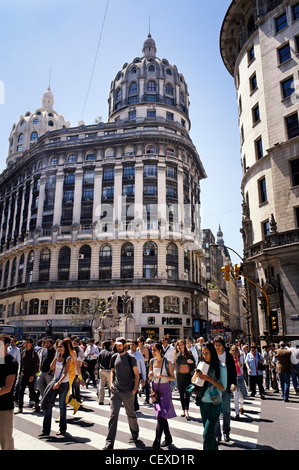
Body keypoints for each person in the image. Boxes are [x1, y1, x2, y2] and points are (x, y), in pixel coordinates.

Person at [103, 337, 140, 450]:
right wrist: (111, 384)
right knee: (113, 416)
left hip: (128, 391)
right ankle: (109, 443)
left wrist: (134, 389)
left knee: (131, 414)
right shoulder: (114, 357)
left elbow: (137, 375)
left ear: (124, 345)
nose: (117, 347)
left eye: (120, 345)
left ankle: (134, 432)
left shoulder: (131, 358)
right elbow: (112, 372)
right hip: (116, 391)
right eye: (116, 345)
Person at [193, 341, 227, 450]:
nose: (205, 356)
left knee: (206, 435)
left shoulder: (221, 367)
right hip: (203, 403)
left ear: (212, 353)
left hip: (215, 404)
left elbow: (223, 387)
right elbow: (192, 380)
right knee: (210, 435)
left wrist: (208, 378)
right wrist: (197, 375)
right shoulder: (202, 365)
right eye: (203, 354)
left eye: (207, 353)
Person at [39, 338, 72, 437]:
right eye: (58, 347)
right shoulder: (57, 355)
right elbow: (51, 367)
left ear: (65, 348)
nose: (59, 348)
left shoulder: (68, 358)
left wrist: (59, 382)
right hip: (55, 381)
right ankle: (46, 430)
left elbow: (65, 373)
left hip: (63, 383)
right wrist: (56, 356)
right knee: (48, 404)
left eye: (61, 347)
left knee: (62, 406)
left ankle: (62, 429)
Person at [149, 341, 176, 449]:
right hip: (155, 390)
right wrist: (150, 375)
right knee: (161, 416)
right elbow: (149, 377)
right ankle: (168, 438)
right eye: (152, 350)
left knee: (161, 414)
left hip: (165, 390)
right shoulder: (151, 362)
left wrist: (163, 375)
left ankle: (157, 441)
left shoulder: (167, 362)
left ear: (160, 351)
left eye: (154, 350)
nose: (153, 352)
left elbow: (173, 378)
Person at [213, 336, 237, 443]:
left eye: (219, 345)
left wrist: (233, 383)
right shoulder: (212, 356)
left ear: (223, 346)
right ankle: (217, 434)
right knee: (216, 412)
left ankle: (226, 433)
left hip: (226, 388)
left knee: (226, 411)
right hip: (215, 388)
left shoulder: (228, 356)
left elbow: (233, 372)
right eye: (216, 345)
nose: (217, 347)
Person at [0, 334, 18, 450]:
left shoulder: (11, 361)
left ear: (7, 345)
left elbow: (8, 387)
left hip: (4, 407)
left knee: (6, 440)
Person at [16, 337, 40, 413]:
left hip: (30, 375)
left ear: (31, 343)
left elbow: (35, 365)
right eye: (25, 342)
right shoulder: (23, 351)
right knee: (21, 390)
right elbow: (22, 364)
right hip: (23, 374)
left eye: (27, 342)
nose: (26, 344)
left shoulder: (34, 353)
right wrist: (19, 373)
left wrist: (33, 375)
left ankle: (36, 401)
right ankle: (20, 407)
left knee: (32, 390)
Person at [174, 340, 195, 420]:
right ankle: (183, 409)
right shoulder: (178, 355)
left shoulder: (189, 353)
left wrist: (191, 362)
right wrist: (180, 353)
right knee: (181, 394)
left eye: (182, 344)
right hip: (180, 376)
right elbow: (177, 363)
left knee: (188, 393)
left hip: (187, 375)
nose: (181, 346)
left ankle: (187, 410)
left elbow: (194, 363)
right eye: (179, 345)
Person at [128, 340, 146, 412]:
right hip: (128, 374)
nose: (131, 346)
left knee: (134, 390)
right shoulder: (127, 354)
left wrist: (144, 378)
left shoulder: (139, 355)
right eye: (130, 345)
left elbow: (143, 366)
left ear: (136, 346)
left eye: (133, 345)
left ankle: (134, 406)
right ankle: (132, 405)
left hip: (136, 374)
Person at [230, 344, 248, 418]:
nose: (234, 352)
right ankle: (237, 413)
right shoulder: (229, 359)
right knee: (235, 395)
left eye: (235, 350)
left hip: (240, 377)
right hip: (233, 378)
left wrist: (237, 359)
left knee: (241, 395)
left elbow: (241, 366)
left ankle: (241, 406)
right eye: (233, 350)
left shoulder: (240, 358)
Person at [97, 340, 113, 405]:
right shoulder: (112, 353)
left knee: (101, 385)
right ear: (110, 345)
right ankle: (111, 400)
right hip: (109, 370)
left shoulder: (101, 352)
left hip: (102, 369)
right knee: (111, 386)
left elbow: (98, 361)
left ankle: (101, 400)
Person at [137, 336, 151, 404]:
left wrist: (141, 357)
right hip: (139, 366)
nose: (137, 343)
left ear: (142, 342)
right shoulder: (137, 349)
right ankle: (140, 390)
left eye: (138, 342)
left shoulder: (144, 348)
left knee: (146, 382)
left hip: (145, 366)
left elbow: (147, 358)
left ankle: (147, 398)